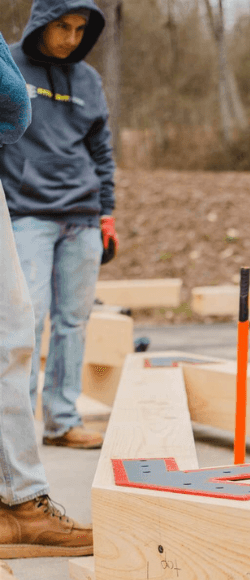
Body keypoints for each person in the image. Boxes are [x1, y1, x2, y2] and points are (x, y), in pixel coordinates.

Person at [0, 0, 119, 451]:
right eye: (62, 27)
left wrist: (107, 214)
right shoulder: (8, 63)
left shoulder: (89, 79)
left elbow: (102, 153)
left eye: (79, 29)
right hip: (27, 216)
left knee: (73, 323)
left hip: (84, 218)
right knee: (23, 323)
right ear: (41, 24)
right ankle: (15, 434)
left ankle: (62, 422)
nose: (71, 38)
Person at [1, 30, 93, 557]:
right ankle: (19, 499)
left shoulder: (88, 81)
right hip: (31, 205)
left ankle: (16, 500)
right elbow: (12, 101)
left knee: (19, 329)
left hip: (75, 209)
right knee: (12, 330)